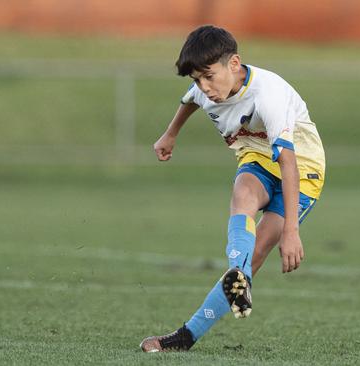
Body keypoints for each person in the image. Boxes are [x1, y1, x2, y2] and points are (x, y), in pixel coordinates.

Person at [139, 25, 326, 352]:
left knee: (253, 257)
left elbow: (289, 164)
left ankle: (193, 327)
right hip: (257, 157)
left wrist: (292, 232)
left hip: (303, 167)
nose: (205, 87)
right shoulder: (204, 88)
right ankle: (233, 282)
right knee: (243, 193)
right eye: (197, 79)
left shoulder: (268, 96)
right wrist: (170, 134)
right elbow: (189, 101)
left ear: (235, 63)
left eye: (209, 77)